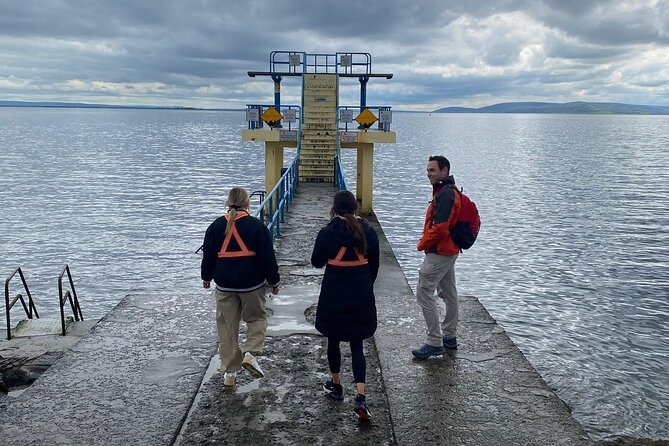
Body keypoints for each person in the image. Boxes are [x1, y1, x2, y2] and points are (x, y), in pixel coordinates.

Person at [311, 190, 380, 420]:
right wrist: (364, 284)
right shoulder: (368, 231)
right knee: (357, 345)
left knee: (333, 339)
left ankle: (336, 385)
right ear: (355, 208)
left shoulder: (327, 232)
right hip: (360, 292)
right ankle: (361, 396)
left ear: (334, 208)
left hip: (334, 293)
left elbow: (316, 262)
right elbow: (375, 267)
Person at [201, 187, 280, 386]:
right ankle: (251, 353)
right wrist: (274, 281)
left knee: (227, 327)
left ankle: (229, 373)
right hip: (252, 284)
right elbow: (267, 257)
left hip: (225, 284)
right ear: (247, 204)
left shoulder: (216, 226)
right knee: (256, 318)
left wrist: (206, 277)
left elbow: (209, 255)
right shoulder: (256, 226)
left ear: (228, 203)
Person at [412, 155, 462, 359]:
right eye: (427, 170)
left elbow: (440, 227)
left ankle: (434, 341)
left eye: (432, 170)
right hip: (450, 249)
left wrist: (422, 244)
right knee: (449, 293)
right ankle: (449, 336)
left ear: (445, 171)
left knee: (423, 291)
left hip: (440, 250)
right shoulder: (450, 191)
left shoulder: (445, 195)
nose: (428, 174)